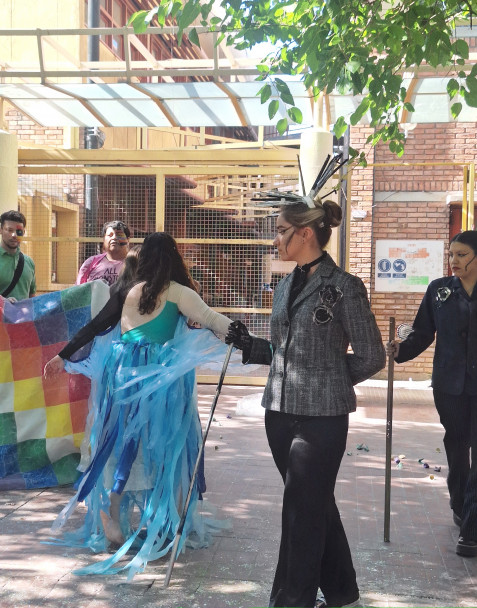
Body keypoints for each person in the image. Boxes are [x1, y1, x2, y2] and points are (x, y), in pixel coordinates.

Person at [225, 197, 386, 608]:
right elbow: (286, 349)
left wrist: (327, 379)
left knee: (301, 509)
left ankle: (291, 599)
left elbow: (372, 356)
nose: (275, 238)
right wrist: (251, 345)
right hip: (278, 413)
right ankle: (342, 591)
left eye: (281, 230)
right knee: (313, 503)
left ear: (305, 233)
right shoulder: (284, 284)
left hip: (322, 419)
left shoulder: (345, 286)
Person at [44, 232, 232, 578]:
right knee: (169, 445)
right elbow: (212, 319)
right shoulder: (179, 292)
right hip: (162, 378)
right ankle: (171, 522)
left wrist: (62, 354)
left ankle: (111, 517)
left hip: (123, 372)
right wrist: (246, 337)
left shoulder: (129, 289)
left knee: (120, 443)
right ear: (174, 257)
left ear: (143, 257)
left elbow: (97, 326)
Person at [386, 230, 477, 558]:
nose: (454, 261)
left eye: (462, 255)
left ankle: (471, 530)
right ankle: (460, 502)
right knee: (457, 445)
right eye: (451, 255)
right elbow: (422, 331)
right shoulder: (439, 291)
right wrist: (401, 349)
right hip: (449, 385)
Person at [76, 220, 130, 286]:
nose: (114, 238)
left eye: (119, 235)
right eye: (110, 235)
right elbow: (78, 289)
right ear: (103, 240)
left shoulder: (135, 262)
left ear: (128, 240)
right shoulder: (91, 262)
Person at [0, 209, 36, 301]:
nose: (14, 235)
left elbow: (31, 297)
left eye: (18, 231)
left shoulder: (29, 263)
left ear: (23, 233)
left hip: (24, 315)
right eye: (9, 230)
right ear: (1, 230)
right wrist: (4, 303)